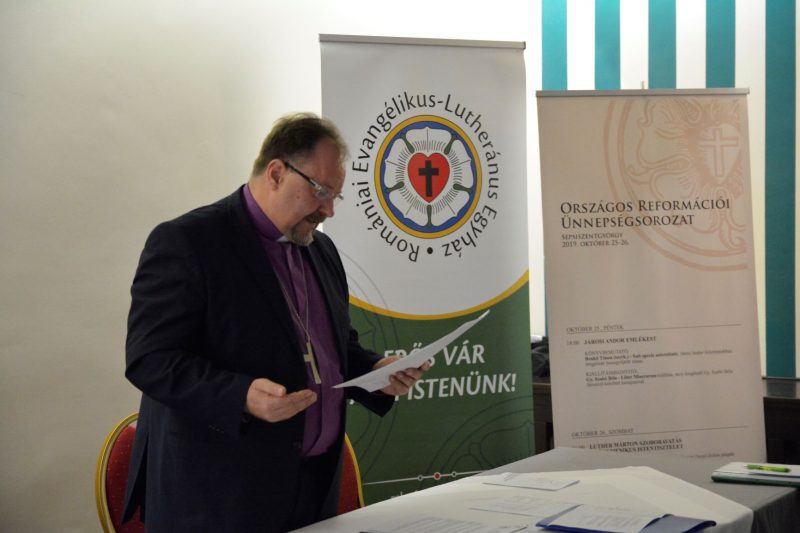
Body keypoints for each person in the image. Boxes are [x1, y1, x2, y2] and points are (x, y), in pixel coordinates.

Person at [122, 112, 428, 532]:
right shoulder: (190, 242)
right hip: (218, 497)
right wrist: (241, 396)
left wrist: (377, 371)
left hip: (314, 490)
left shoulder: (321, 250)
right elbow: (149, 359)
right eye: (320, 191)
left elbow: (333, 348)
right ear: (277, 173)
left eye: (336, 197)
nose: (328, 210)